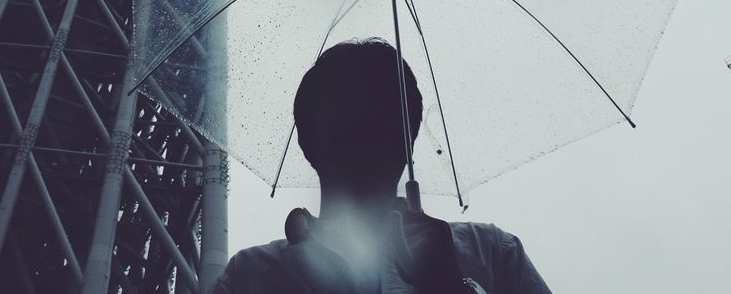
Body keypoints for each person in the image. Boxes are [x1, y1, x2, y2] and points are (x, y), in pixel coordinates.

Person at [209, 38, 553, 294]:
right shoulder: (251, 278)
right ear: (307, 142)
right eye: (349, 114)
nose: (366, 127)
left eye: (382, 115)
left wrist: (452, 287)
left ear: (408, 139)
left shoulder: (492, 252)